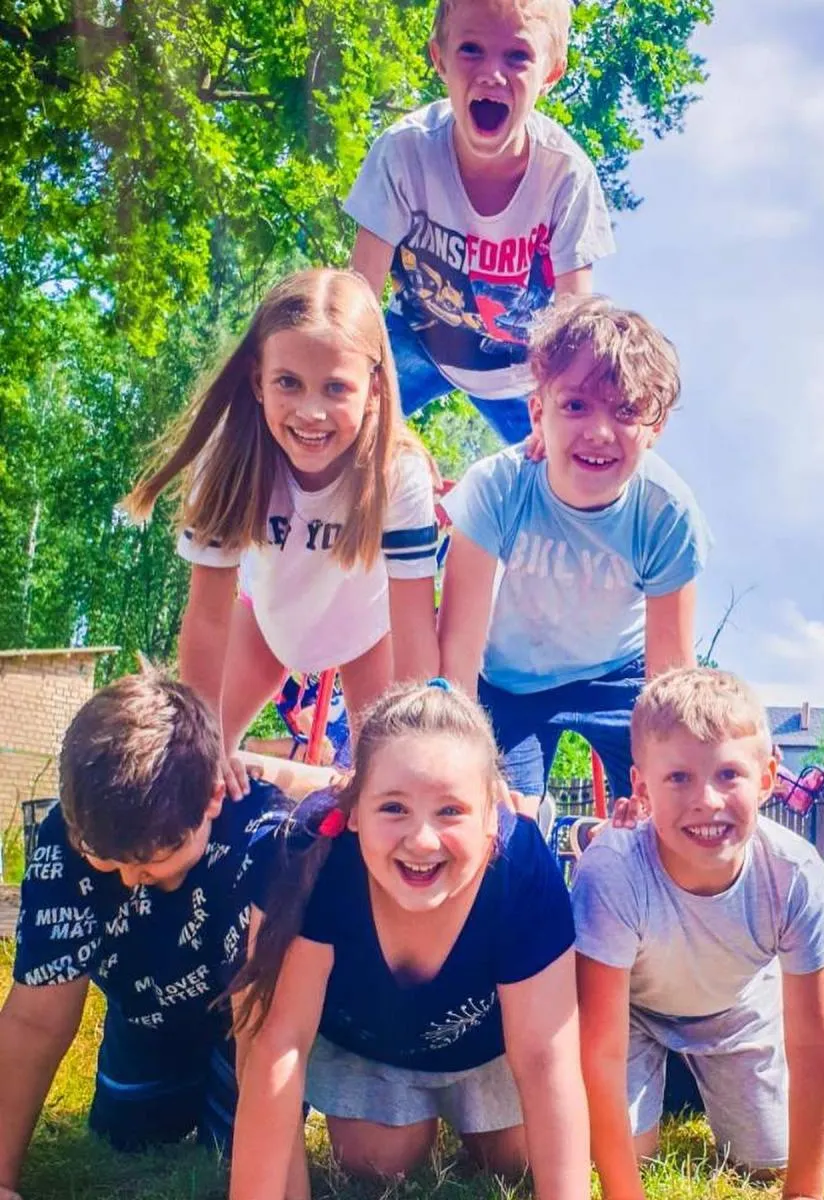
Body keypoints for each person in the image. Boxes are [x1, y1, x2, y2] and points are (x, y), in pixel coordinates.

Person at [229, 680, 590, 1200]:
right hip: (374, 1045)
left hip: (488, 1049)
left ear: (493, 817)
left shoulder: (523, 869)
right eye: (394, 808)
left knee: (521, 1157)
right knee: (374, 1161)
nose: (421, 840)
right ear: (355, 810)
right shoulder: (315, 857)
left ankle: (484, 1121)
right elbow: (277, 1044)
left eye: (450, 811)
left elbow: (544, 1061)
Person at [0, 672, 330, 1199]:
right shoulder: (69, 835)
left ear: (214, 797)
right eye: (105, 861)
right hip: (146, 1016)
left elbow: (266, 1045)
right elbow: (34, 1020)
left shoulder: (264, 841)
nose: (130, 880)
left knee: (238, 1150)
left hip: (242, 1026)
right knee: (125, 1136)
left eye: (154, 861)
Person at [124, 268, 440, 798]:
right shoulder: (227, 461)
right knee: (193, 767)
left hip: (369, 633)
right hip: (267, 623)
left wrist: (421, 747)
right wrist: (208, 744)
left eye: (336, 387)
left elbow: (413, 630)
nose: (311, 412)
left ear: (373, 389)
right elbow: (206, 618)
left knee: (389, 780)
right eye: (288, 382)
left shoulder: (396, 472)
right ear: (257, 379)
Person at [572, 667, 824, 1200]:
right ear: (641, 787)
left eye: (728, 774)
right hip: (634, 1014)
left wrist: (804, 1193)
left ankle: (701, 1074)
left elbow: (815, 1043)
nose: (707, 800)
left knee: (767, 1161)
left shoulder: (793, 872)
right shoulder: (613, 871)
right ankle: (672, 1075)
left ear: (766, 779)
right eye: (678, 777)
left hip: (736, 1012)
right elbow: (599, 1048)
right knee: (619, 1152)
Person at [438, 296, 710, 814]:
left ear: (654, 430)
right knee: (495, 814)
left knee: (670, 804)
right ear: (537, 414)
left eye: (626, 411)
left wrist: (666, 780)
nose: (599, 433)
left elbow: (670, 682)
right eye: (576, 406)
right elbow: (457, 658)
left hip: (620, 676)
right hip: (510, 679)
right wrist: (468, 764)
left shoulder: (667, 512)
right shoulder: (497, 488)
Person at [347, 0, 615, 445]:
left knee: (571, 448)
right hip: (418, 337)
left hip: (519, 370)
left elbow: (575, 321)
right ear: (440, 59)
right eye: (471, 49)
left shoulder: (565, 176)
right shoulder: (405, 152)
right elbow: (357, 296)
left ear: (550, 73)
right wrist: (348, 385)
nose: (492, 73)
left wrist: (563, 408)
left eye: (518, 56)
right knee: (335, 396)